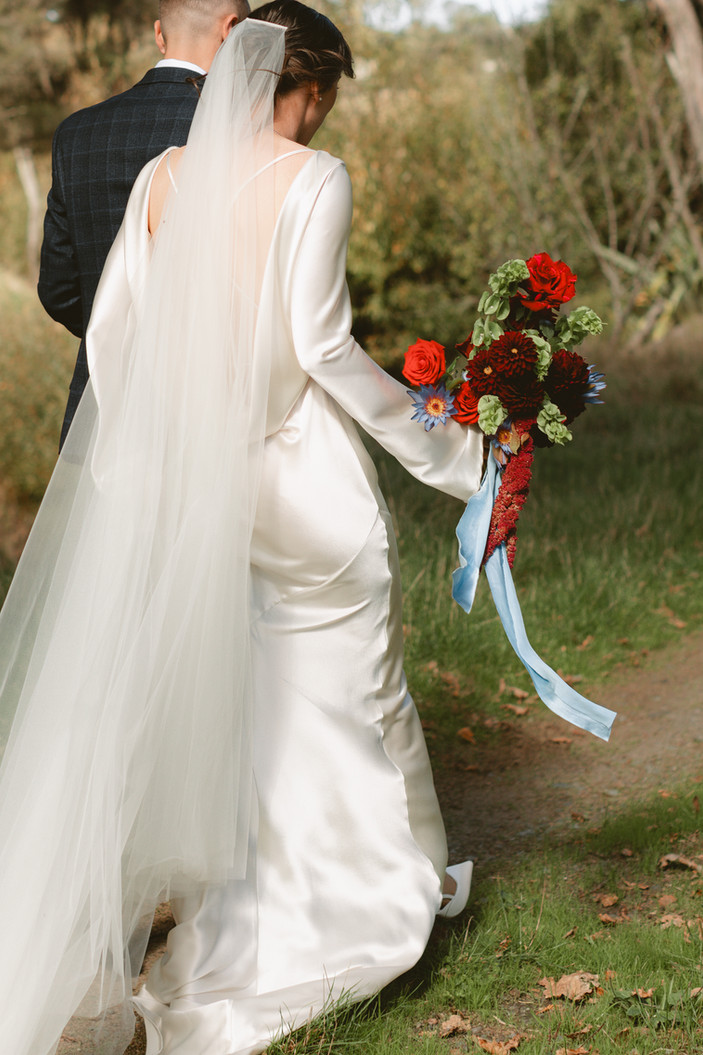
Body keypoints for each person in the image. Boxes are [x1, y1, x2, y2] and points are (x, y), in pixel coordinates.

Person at [0, 5, 482, 1054]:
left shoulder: (162, 179)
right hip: (294, 479)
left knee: (250, 704)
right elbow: (324, 347)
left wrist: (162, 465)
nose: (323, 118)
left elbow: (118, 334)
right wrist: (449, 451)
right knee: (350, 679)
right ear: (300, 88)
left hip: (192, 486)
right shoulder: (315, 178)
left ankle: (249, 907)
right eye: (325, 97)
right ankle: (370, 888)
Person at [37, 0, 251, 447]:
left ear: (160, 34)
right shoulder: (247, 134)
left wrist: (115, 328)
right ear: (232, 31)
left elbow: (58, 288)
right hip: (208, 419)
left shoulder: (76, 132)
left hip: (98, 411)